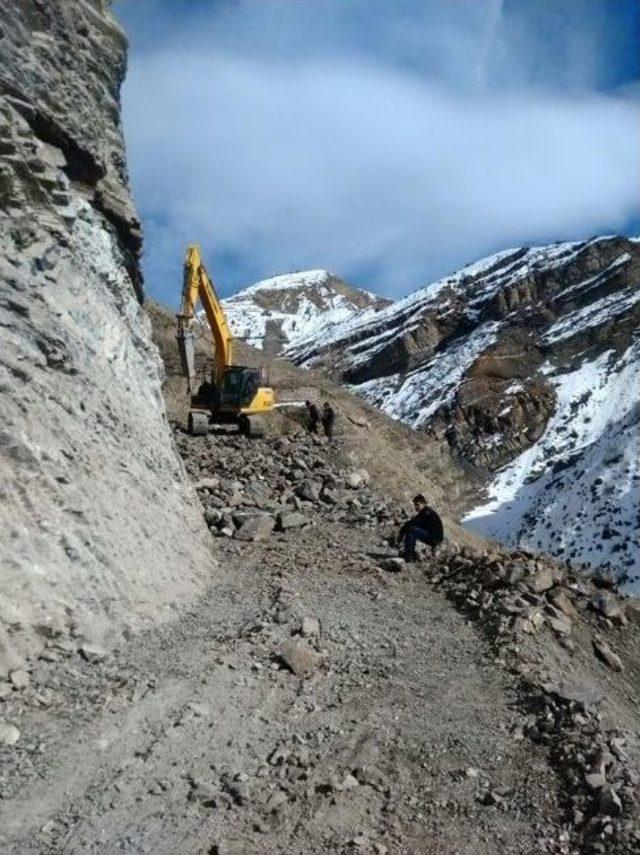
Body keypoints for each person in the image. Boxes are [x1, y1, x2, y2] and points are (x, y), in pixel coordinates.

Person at [397, 494, 444, 561]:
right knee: (412, 529)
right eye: (415, 505)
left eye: (417, 505)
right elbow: (411, 522)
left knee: (412, 530)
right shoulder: (424, 512)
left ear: (423, 504)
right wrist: (401, 533)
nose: (415, 507)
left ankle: (409, 556)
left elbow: (414, 522)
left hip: (435, 538)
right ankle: (409, 554)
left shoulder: (427, 512)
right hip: (432, 536)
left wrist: (401, 534)